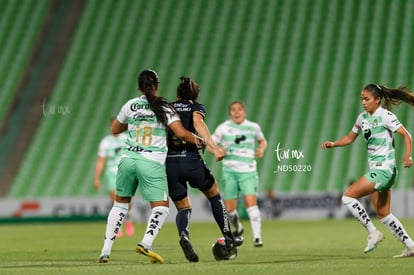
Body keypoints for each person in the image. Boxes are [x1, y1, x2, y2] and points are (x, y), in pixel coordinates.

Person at [98, 69, 204, 264]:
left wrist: (132, 124)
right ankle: (146, 242)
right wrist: (201, 141)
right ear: (157, 86)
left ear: (139, 86)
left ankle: (105, 251)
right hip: (151, 161)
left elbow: (115, 129)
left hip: (128, 159)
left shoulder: (130, 105)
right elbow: (181, 133)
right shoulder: (164, 106)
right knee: (161, 208)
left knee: (120, 205)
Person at [321, 84, 414, 258]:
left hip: (384, 169)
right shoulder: (362, 118)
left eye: (367, 99)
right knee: (384, 213)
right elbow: (350, 138)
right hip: (378, 169)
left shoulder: (385, 116)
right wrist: (333, 143)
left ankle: (373, 233)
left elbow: (406, 135)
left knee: (348, 197)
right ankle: (411, 246)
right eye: (362, 99)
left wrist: (408, 155)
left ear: (377, 100)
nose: (363, 102)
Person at [166, 77, 243, 262]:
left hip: (170, 163)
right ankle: (229, 238)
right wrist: (214, 148)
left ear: (177, 94)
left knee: (183, 208)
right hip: (191, 160)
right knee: (214, 195)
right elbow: (198, 124)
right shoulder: (196, 107)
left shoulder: (166, 107)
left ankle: (184, 235)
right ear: (195, 95)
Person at [212, 101, 267, 247]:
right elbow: (210, 143)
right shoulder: (223, 128)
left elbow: (263, 141)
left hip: (248, 170)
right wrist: (217, 151)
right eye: (233, 110)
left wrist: (261, 149)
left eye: (240, 109)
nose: (237, 112)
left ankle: (257, 237)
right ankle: (238, 228)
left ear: (245, 112)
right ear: (230, 113)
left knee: (251, 203)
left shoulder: (253, 127)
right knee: (230, 210)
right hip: (229, 171)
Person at [94, 118, 134, 237]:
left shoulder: (127, 138)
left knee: (128, 201)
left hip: (125, 171)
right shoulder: (106, 142)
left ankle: (128, 221)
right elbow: (101, 161)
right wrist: (96, 178)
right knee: (115, 201)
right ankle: (118, 226)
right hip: (111, 173)